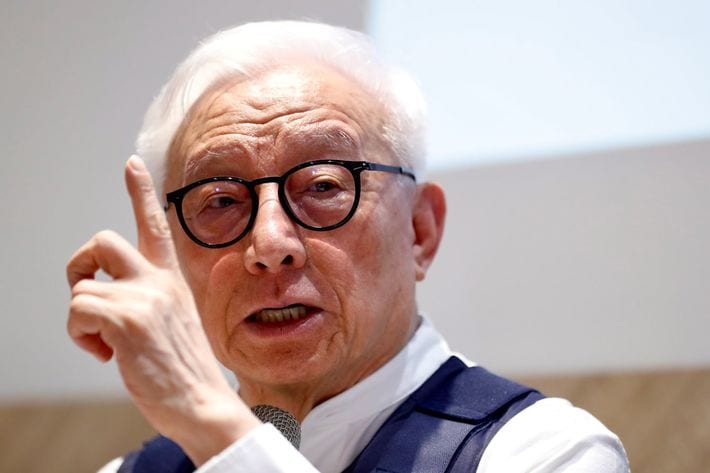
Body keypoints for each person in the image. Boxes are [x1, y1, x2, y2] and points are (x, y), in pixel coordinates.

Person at [67, 20, 629, 472]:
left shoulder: (546, 452)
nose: (269, 243)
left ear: (420, 230)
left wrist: (216, 430)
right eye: (220, 200)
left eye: (322, 187)